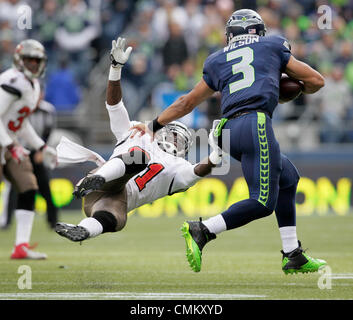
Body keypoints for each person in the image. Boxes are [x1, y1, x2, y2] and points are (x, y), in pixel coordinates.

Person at [130, 9, 327, 274]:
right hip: (254, 122)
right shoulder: (272, 45)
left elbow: (186, 102)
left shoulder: (216, 59)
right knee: (262, 203)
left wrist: (152, 125)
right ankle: (203, 230)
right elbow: (316, 80)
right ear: (258, 31)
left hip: (228, 132)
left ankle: (293, 254)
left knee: (288, 177)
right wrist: (295, 88)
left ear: (230, 35)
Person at [54, 37, 223, 243]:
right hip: (103, 178)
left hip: (112, 200)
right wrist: (115, 69)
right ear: (161, 131)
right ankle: (98, 179)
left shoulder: (178, 167)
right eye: (173, 133)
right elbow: (114, 105)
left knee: (116, 219)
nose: (175, 139)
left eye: (181, 139)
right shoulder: (140, 133)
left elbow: (196, 172)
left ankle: (83, 230)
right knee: (138, 157)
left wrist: (215, 155)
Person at [0, 39, 57, 259]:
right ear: (19, 59)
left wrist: (41, 146)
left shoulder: (32, 86)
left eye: (37, 60)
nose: (33, 64)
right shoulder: (13, 80)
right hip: (7, 143)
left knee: (28, 187)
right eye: (29, 60)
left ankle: (20, 246)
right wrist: (11, 145)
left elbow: (20, 123)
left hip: (9, 142)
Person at [0, 91, 59, 230]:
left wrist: (42, 148)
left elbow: (44, 130)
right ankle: (6, 221)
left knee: (41, 187)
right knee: (14, 189)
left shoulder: (47, 110)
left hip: (32, 152)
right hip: (14, 149)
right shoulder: (16, 105)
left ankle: (53, 221)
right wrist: (12, 146)